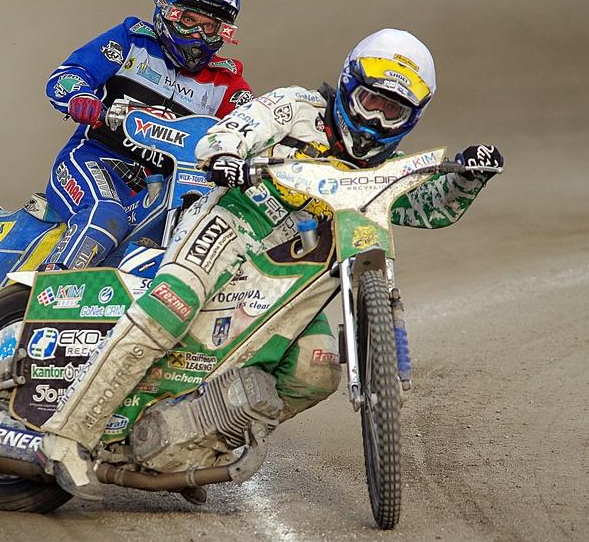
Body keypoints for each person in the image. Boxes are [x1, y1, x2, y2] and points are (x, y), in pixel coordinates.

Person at [38, 28, 504, 499]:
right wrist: (226, 155)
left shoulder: (385, 170)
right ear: (348, 86)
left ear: (411, 118)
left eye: (393, 111)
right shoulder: (294, 107)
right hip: (234, 225)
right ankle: (68, 435)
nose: (375, 119)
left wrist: (468, 177)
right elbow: (231, 131)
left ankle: (185, 446)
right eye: (369, 101)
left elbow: (427, 208)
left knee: (315, 372)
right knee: (168, 310)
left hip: (301, 273)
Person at [41, 0, 253, 269]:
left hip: (168, 187)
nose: (198, 34)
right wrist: (80, 96)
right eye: (189, 20)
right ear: (166, 11)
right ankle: (49, 287)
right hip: (95, 160)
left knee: (218, 235)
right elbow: (70, 74)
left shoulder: (227, 81)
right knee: (105, 215)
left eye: (210, 26)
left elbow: (255, 126)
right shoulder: (132, 41)